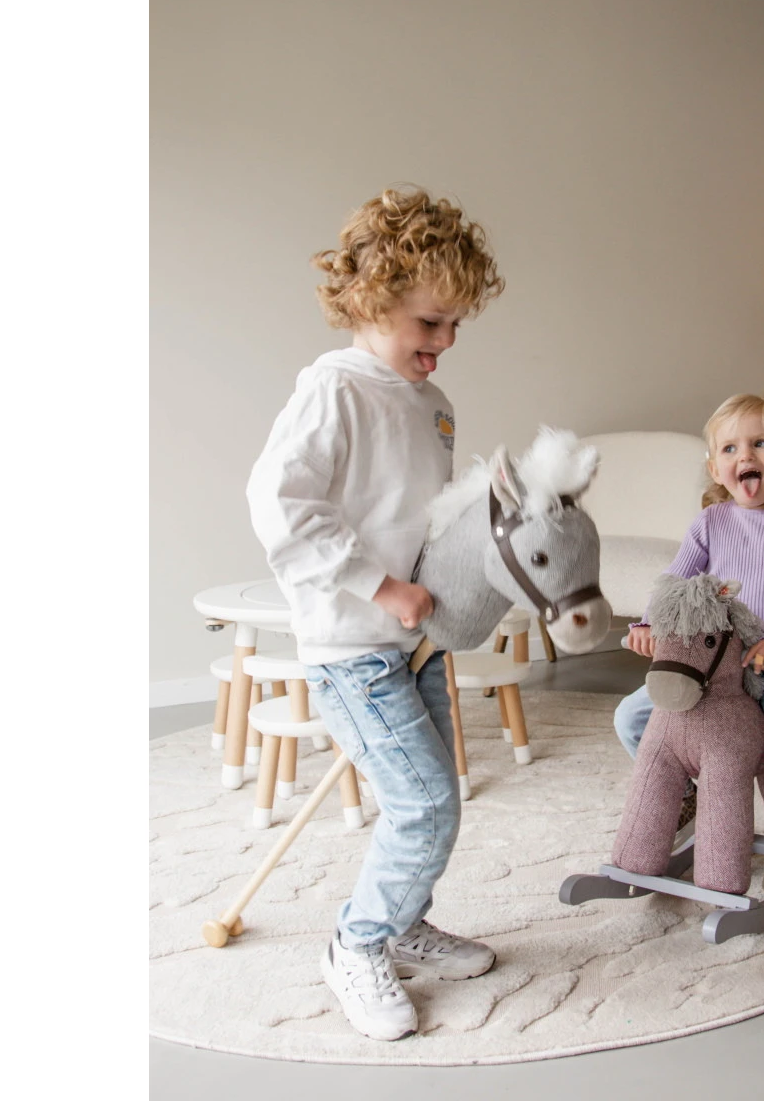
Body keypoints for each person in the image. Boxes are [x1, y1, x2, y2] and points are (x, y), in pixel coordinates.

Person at [246, 186, 505, 1041]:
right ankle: (355, 943)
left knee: (434, 798)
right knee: (423, 803)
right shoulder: (336, 389)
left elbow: (419, 520)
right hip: (352, 645)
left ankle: (402, 925)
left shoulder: (434, 406)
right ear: (370, 300)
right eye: (430, 322)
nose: (446, 342)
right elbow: (283, 506)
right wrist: (381, 586)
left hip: (414, 644)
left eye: (456, 324)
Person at [614, 394, 764, 903]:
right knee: (631, 719)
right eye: (731, 448)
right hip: (714, 672)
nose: (746, 456)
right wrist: (648, 623)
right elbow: (674, 583)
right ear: (716, 468)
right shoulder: (711, 523)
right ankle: (687, 794)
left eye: (760, 443)